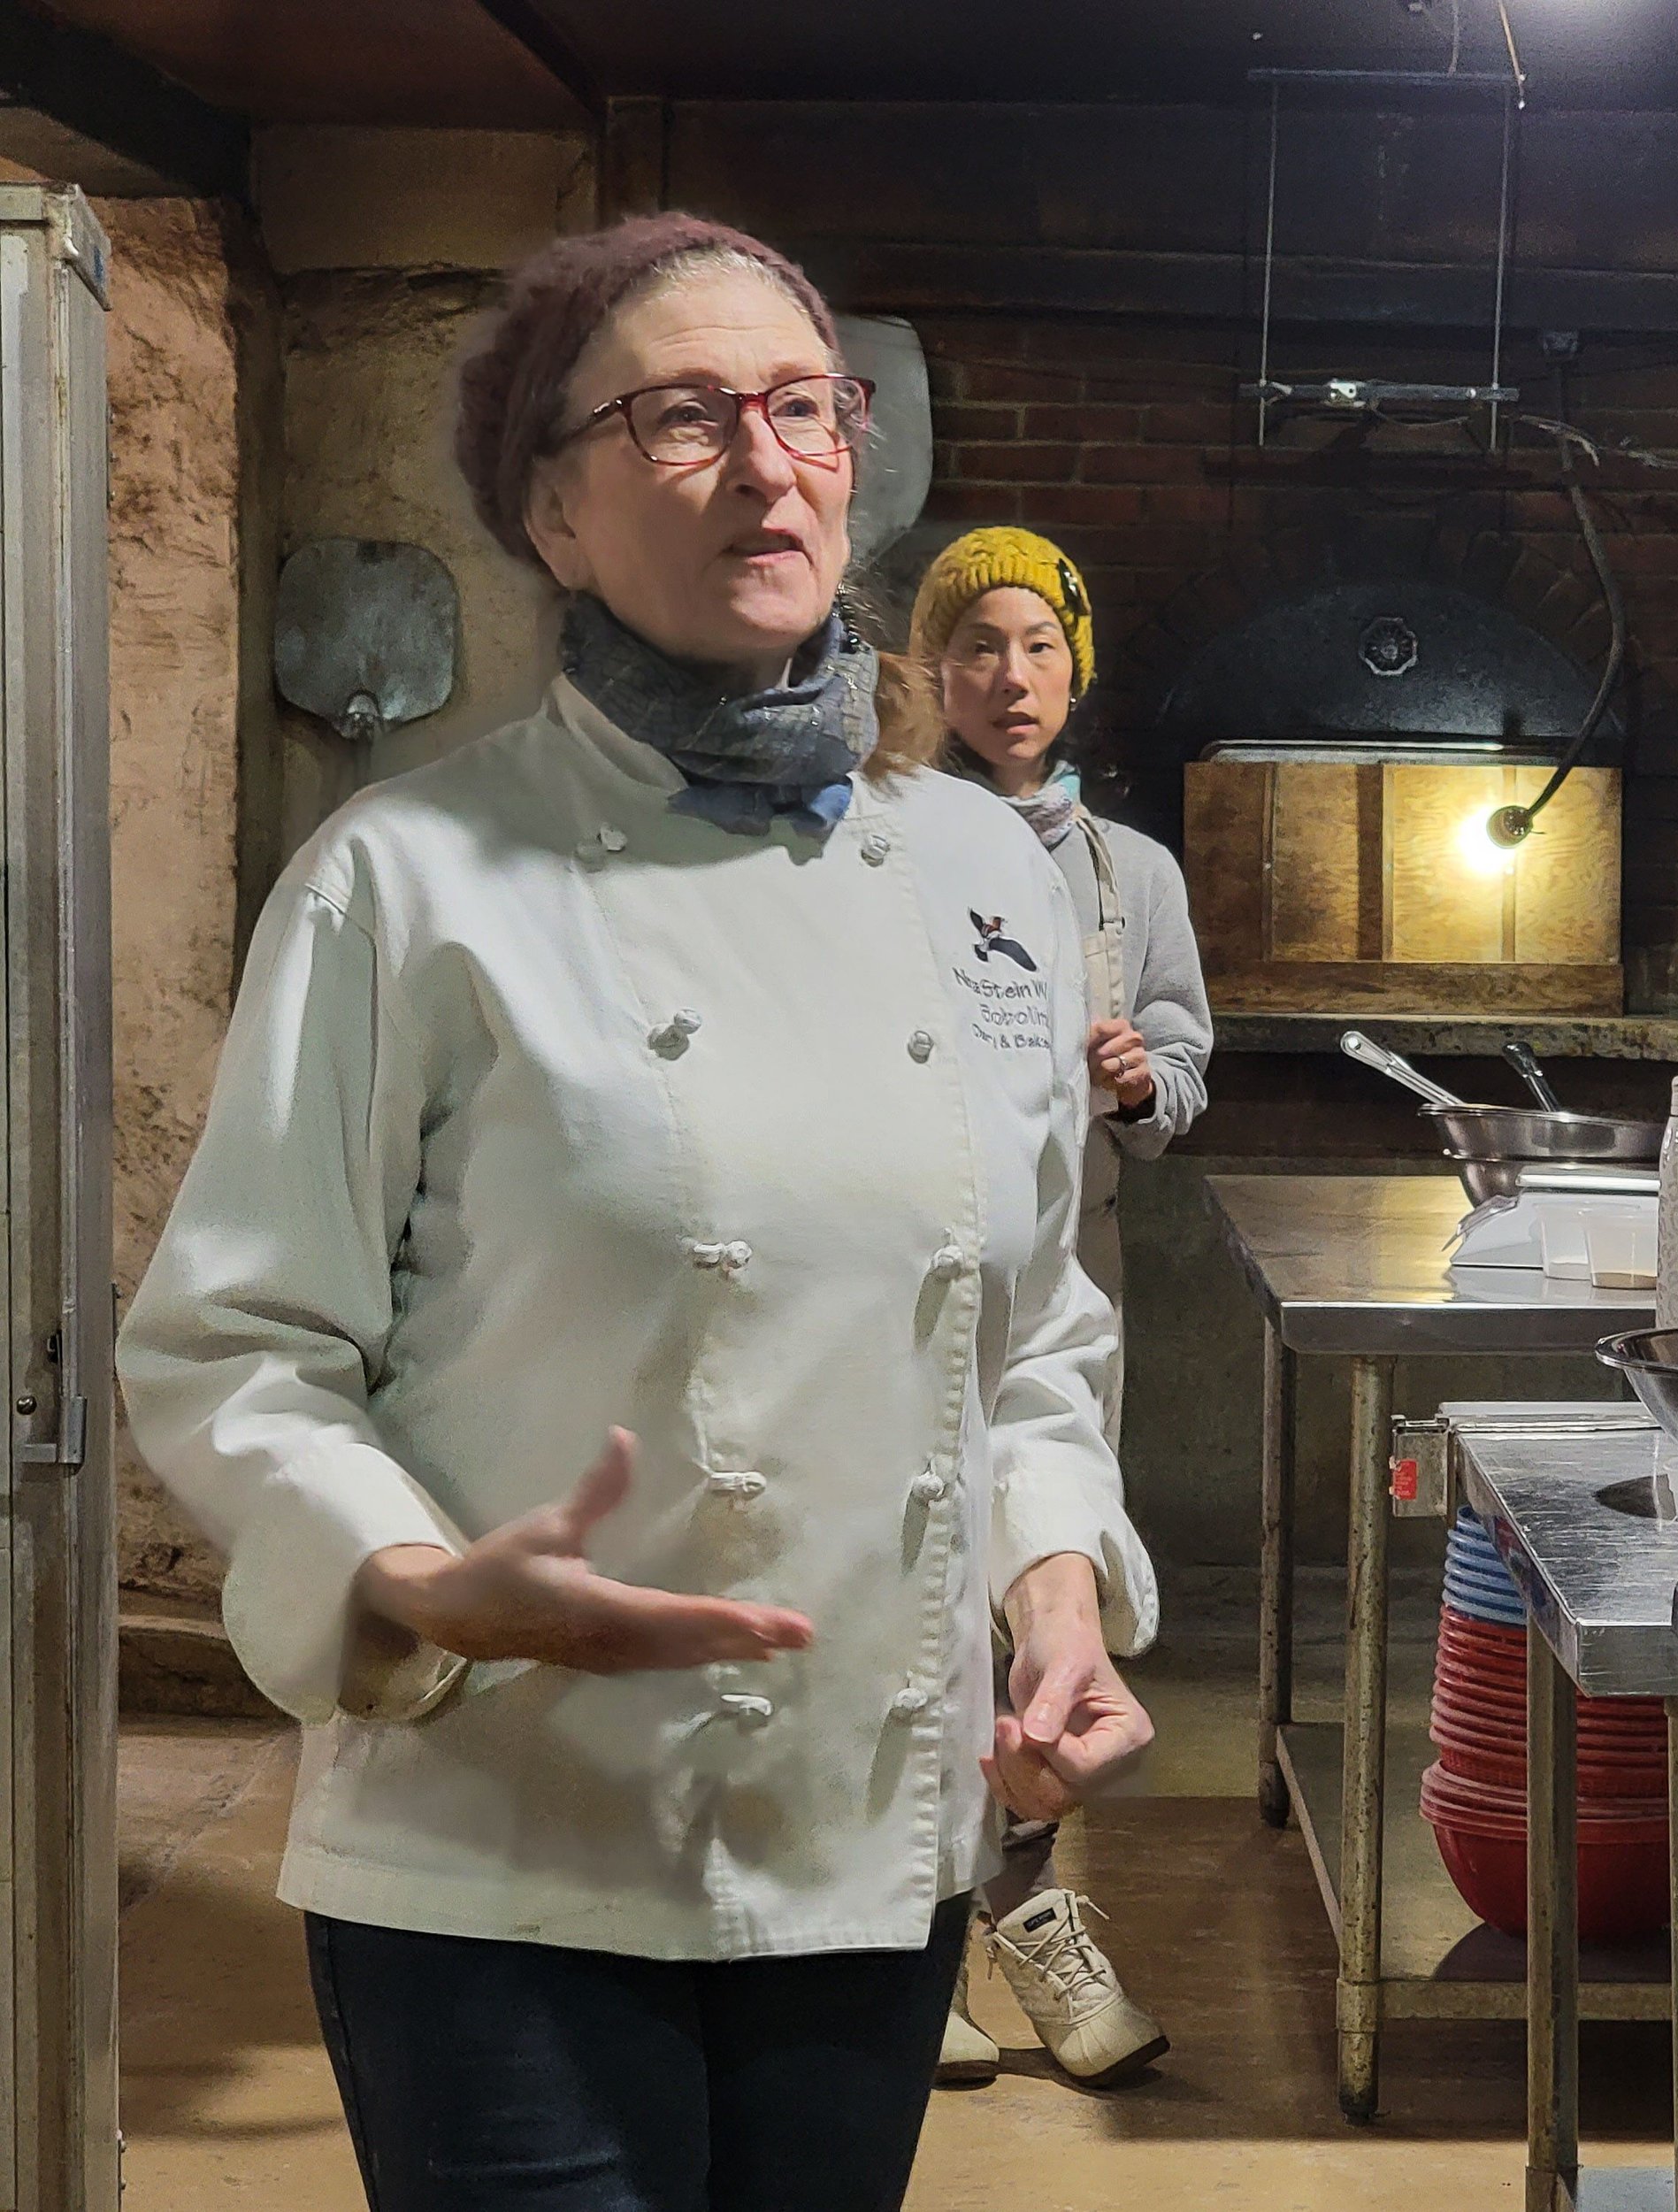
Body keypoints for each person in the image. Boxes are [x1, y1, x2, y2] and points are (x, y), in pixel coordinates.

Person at [115, 212, 1158, 2212]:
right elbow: (237, 1348)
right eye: (685, 417)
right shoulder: (407, 878)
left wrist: (1051, 1594)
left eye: (803, 406)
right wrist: (407, 1575)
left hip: (869, 1847)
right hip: (508, 1848)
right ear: (554, 513)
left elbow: (1028, 1333)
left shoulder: (978, 870)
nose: (768, 463)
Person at [906, 526, 1212, 2090]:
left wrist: (1145, 1077)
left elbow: (1186, 1058)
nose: (1007, 677)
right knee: (930, 1599)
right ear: (929, 673)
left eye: (1034, 645)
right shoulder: (877, 840)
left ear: (1075, 665)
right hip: (905, 1276)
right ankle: (921, 1935)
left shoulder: (1127, 872)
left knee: (1056, 1608)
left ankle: (1031, 1921)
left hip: (1067, 1277)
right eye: (975, 648)